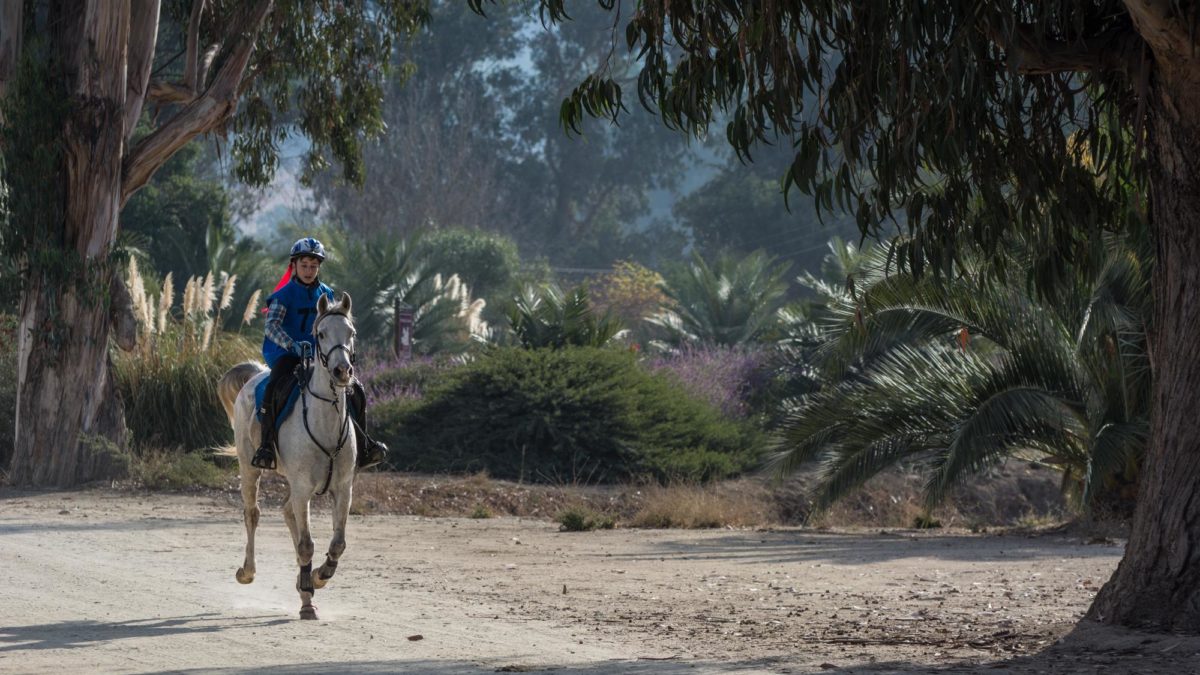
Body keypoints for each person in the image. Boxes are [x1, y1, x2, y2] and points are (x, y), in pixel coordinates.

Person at [251, 237, 388, 471]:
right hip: (285, 353)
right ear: (294, 265)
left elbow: (333, 326)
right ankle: (265, 446)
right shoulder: (284, 295)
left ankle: (364, 446)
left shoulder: (326, 294)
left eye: (314, 266)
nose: (309, 271)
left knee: (357, 390)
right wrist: (293, 345)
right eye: (304, 265)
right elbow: (271, 327)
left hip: (319, 354)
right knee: (274, 386)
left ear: (319, 268)